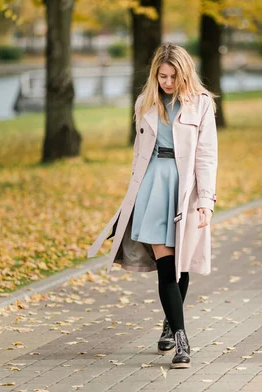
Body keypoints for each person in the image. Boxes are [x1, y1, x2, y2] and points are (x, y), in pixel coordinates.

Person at [87, 42, 218, 369]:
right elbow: (138, 155)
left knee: (181, 265)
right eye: (162, 76)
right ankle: (182, 341)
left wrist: (206, 201)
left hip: (184, 189)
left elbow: (206, 156)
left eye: (173, 76)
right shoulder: (145, 104)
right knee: (166, 265)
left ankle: (169, 323)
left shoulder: (201, 105)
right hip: (152, 189)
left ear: (185, 74)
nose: (168, 82)